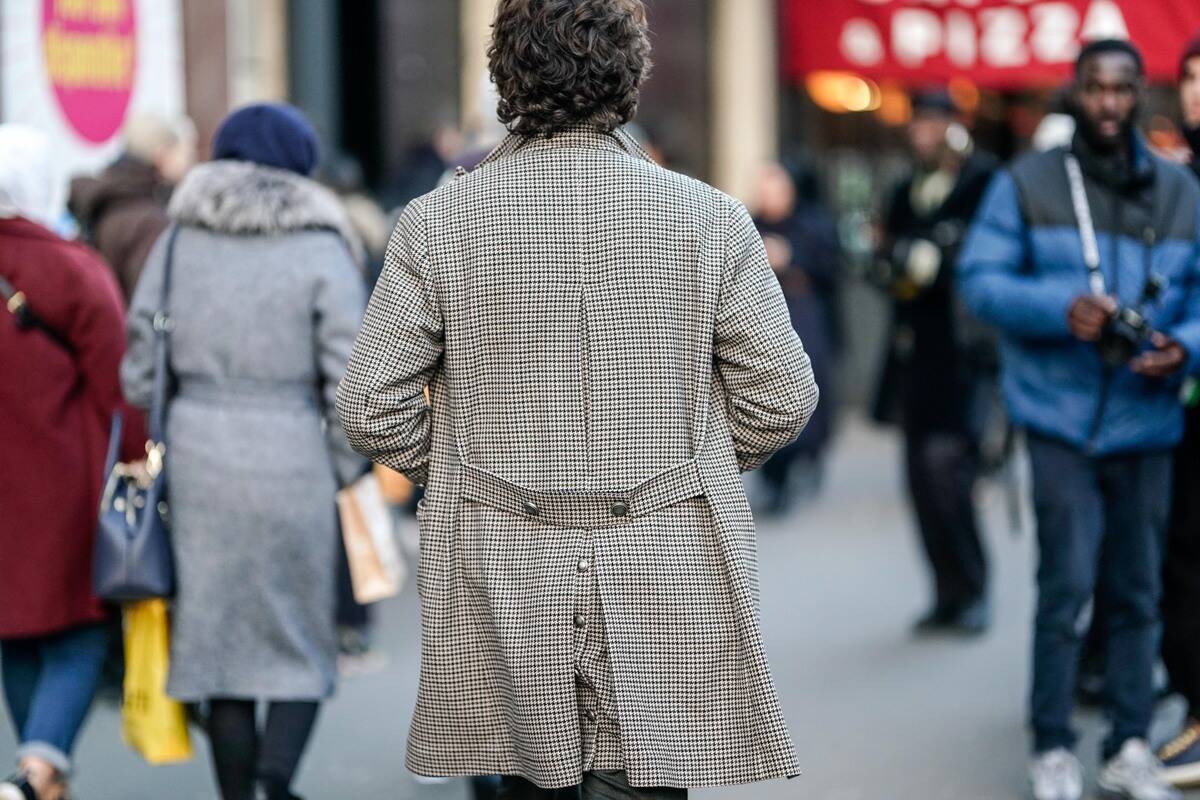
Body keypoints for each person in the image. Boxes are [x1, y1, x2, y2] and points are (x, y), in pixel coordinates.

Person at [336, 1, 819, 797]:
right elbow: (782, 398)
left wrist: (466, 466)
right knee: (651, 782)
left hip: (503, 552)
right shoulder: (710, 219)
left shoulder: (436, 224)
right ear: (629, 78)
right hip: (669, 549)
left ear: (506, 78)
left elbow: (370, 406)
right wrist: (692, 462)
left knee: (530, 781)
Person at [959, 39, 1200, 800]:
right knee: (1064, 589)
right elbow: (979, 281)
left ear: (1141, 95)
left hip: (1147, 418)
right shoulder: (1025, 181)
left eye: (1123, 89)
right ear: (1075, 92)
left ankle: (1128, 740)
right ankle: (1053, 742)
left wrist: (1185, 348)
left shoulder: (1179, 191)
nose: (1108, 103)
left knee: (1136, 592)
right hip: (1058, 417)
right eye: (1095, 88)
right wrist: (1060, 309)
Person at [120, 103, 366, 800]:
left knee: (218, 641)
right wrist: (346, 468)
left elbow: (140, 369)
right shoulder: (323, 245)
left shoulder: (177, 242)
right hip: (293, 453)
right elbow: (349, 379)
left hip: (198, 459)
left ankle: (238, 793)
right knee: (298, 631)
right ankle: (275, 779)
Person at [0, 125, 129, 800]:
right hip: (63, 482)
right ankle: (36, 771)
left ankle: (37, 779)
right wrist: (138, 462)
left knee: (13, 631)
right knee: (78, 631)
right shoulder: (71, 267)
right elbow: (120, 385)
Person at [872, 90, 998, 636]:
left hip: (961, 355)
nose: (921, 132)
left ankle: (973, 588)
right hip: (913, 353)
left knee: (949, 473)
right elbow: (885, 256)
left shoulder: (981, 181)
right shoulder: (904, 188)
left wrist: (930, 256)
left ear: (953, 125)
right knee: (919, 480)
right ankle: (945, 593)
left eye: (932, 122)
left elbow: (977, 258)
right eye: (917, 122)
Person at [1156, 32, 1200, 788]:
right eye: (1191, 77)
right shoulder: (1176, 180)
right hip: (1181, 403)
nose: (1198, 91)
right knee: (1183, 558)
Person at [753, 161, 838, 511]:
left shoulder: (811, 225)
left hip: (803, 320)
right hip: (759, 323)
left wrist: (791, 259)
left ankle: (802, 462)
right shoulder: (747, 223)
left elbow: (830, 269)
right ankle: (774, 478)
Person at [69, 112, 196, 303]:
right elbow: (151, 299)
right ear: (162, 155)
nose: (189, 162)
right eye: (181, 152)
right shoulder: (150, 219)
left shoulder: (105, 198)